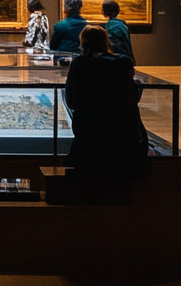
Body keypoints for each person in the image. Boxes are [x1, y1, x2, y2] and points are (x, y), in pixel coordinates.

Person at [62, 25, 147, 199]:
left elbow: (71, 99)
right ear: (105, 41)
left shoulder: (79, 63)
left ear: (83, 42)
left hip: (88, 126)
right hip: (120, 128)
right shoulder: (123, 62)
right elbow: (130, 96)